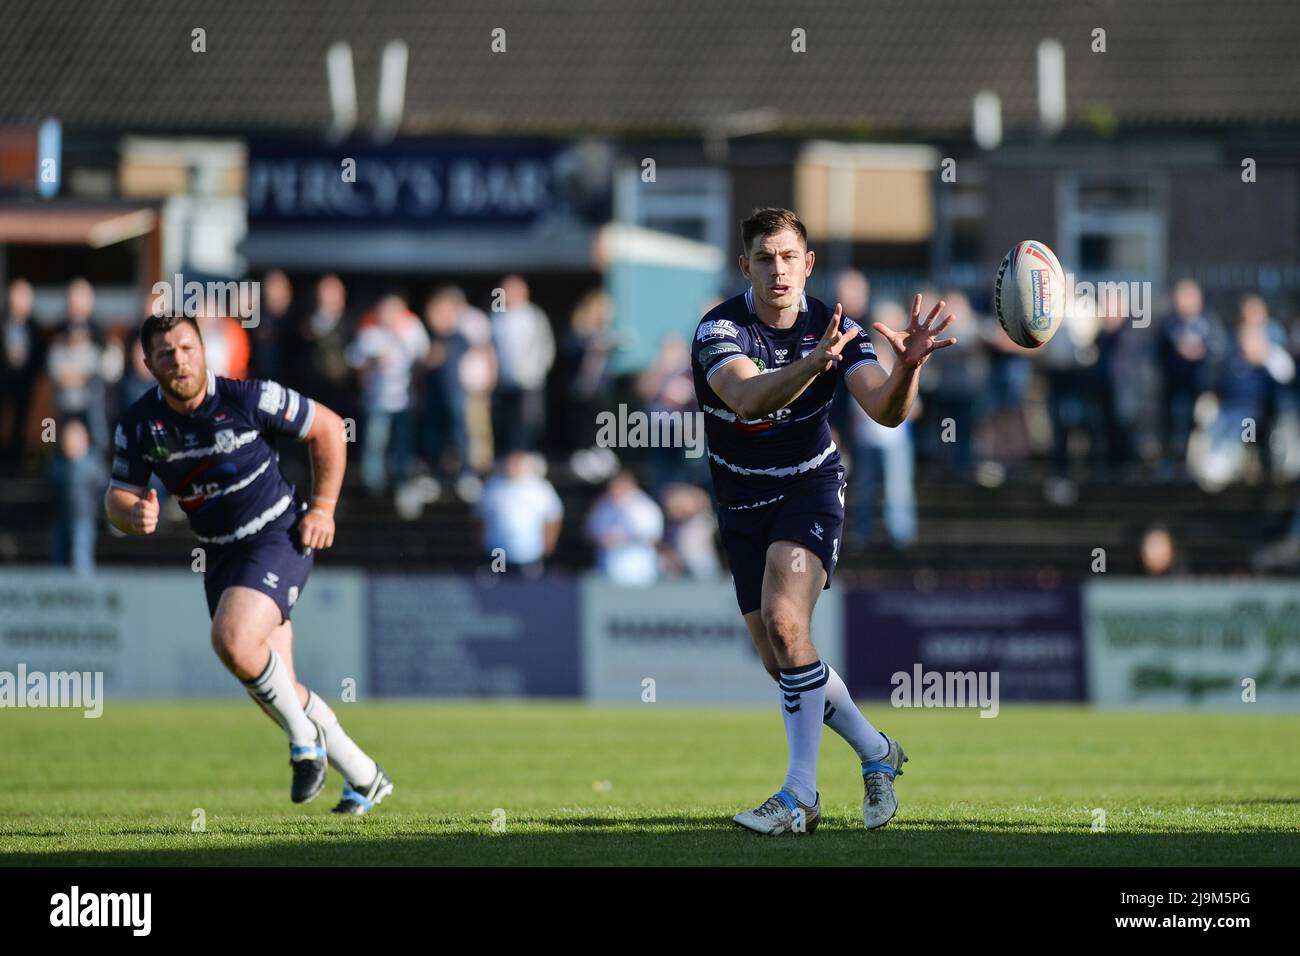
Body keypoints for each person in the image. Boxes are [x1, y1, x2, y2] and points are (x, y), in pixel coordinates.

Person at [693, 207, 954, 835]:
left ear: (809, 264)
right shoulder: (717, 330)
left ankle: (799, 797)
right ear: (745, 266)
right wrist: (814, 364)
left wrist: (909, 368)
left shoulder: (841, 329)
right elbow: (749, 397)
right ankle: (877, 752)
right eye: (764, 258)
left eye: (789, 257)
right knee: (782, 659)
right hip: (740, 504)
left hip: (810, 488)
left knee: (787, 622)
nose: (778, 270)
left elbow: (885, 412)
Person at [104, 312, 393, 814]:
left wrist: (323, 509)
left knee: (232, 640)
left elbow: (328, 428)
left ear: (204, 349)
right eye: (166, 353)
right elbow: (117, 497)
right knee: (276, 686)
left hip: (276, 536)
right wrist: (133, 514)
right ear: (149, 364)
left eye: (187, 347)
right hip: (219, 553)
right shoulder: (139, 423)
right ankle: (366, 777)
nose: (179, 359)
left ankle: (306, 745)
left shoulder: (248, 397)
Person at [347, 293, 430, 495]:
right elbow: (354, 364)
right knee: (375, 442)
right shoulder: (370, 334)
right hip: (377, 400)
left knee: (403, 442)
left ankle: (402, 479)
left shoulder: (413, 330)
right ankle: (374, 484)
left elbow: (424, 361)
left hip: (404, 400)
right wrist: (373, 364)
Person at [490, 275, 554, 454]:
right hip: (504, 380)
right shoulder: (498, 316)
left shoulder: (534, 315)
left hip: (530, 380)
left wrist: (538, 370)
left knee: (530, 421)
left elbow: (546, 345)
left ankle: (530, 455)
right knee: (507, 421)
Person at [477, 450, 563, 577]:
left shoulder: (540, 487)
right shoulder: (493, 486)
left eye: (516, 464)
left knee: (528, 590)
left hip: (529, 553)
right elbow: (479, 516)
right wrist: (482, 542)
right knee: (497, 588)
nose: (512, 467)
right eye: (510, 463)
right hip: (497, 552)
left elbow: (554, 517)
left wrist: (548, 546)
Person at [585, 470, 664, 586]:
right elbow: (589, 531)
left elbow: (654, 538)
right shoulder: (603, 505)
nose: (614, 492)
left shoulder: (645, 507)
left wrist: (625, 539)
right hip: (607, 570)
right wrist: (601, 539)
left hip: (638, 571)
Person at [50, 418, 105, 574]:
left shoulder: (93, 465)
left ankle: (84, 590)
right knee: (59, 557)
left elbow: (102, 489)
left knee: (81, 555)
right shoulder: (58, 464)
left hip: (84, 517)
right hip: (61, 517)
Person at [1, 278, 43, 464]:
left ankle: (16, 459)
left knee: (22, 420)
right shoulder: (3, 321)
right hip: (3, 381)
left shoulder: (35, 326)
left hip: (25, 382)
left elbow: (39, 355)